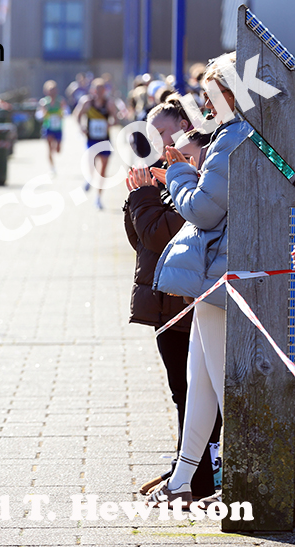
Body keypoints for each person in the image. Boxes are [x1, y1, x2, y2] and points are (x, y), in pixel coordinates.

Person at [148, 51, 252, 506]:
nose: (204, 107)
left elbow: (203, 210)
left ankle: (244, 477)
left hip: (221, 268)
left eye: (210, 97)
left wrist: (178, 174)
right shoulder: (243, 133)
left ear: (230, 93)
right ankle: (184, 477)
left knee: (218, 379)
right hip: (222, 269)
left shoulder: (232, 139)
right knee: (202, 379)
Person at [124, 101, 221, 502]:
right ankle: (190, 478)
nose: (161, 146)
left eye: (164, 134)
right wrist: (141, 197)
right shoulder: (172, 180)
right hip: (165, 301)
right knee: (187, 394)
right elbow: (139, 241)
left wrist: (145, 196)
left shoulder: (195, 183)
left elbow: (157, 235)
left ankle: (200, 477)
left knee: (198, 392)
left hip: (186, 303)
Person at [74, 77, 123, 210]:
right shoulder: (87, 102)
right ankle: (89, 178)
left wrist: (110, 124)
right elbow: (77, 115)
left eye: (102, 90)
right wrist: (81, 127)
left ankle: (98, 198)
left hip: (104, 139)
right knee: (91, 160)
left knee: (103, 170)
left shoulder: (109, 103)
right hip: (91, 138)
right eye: (97, 90)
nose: (99, 93)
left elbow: (117, 119)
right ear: (93, 90)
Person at [37, 80, 66, 174]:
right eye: (50, 90)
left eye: (53, 90)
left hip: (58, 128)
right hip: (48, 128)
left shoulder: (60, 101)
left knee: (58, 150)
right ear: (46, 91)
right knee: (49, 149)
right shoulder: (44, 102)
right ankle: (52, 167)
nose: (52, 92)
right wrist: (44, 113)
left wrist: (60, 114)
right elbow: (40, 114)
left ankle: (56, 147)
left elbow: (65, 112)